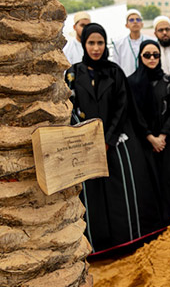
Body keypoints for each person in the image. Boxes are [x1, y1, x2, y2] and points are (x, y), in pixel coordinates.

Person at [65, 23, 162, 251]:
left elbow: (122, 107)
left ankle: (125, 242)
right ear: (84, 44)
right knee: (92, 195)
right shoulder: (72, 73)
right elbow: (69, 107)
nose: (96, 48)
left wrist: (108, 139)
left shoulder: (114, 72)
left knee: (121, 192)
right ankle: (96, 246)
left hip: (114, 144)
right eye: (91, 43)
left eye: (100, 43)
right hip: (86, 146)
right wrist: (87, 138)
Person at [128, 40, 170, 226]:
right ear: (140, 57)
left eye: (155, 55)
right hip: (144, 143)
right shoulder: (132, 82)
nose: (152, 58)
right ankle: (153, 227)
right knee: (149, 185)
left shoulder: (168, 82)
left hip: (167, 142)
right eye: (147, 55)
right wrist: (150, 137)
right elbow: (133, 113)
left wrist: (162, 136)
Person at [114, 9, 152, 77]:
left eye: (138, 20)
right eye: (131, 20)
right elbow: (116, 67)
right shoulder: (119, 44)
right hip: (126, 82)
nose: (135, 22)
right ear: (126, 25)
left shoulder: (151, 42)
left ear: (142, 24)